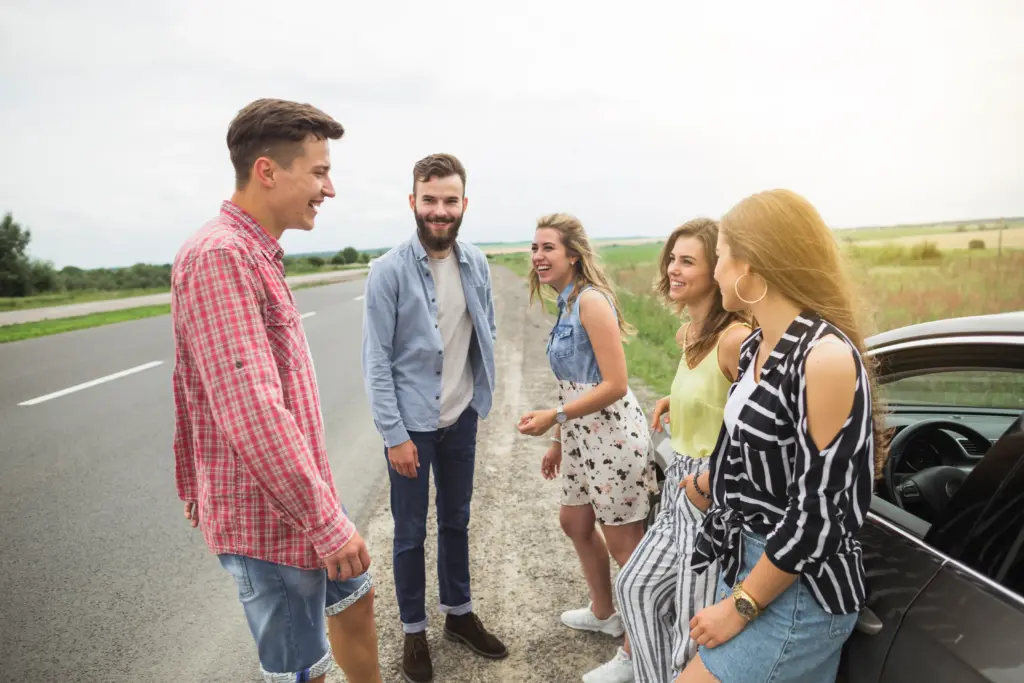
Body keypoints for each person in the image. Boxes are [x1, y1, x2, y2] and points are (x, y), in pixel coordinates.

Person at [171, 98, 381, 683]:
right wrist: (325, 521)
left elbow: (195, 381)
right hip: (270, 511)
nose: (329, 188)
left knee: (355, 598)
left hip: (301, 489)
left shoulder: (256, 252)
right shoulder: (221, 256)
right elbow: (250, 408)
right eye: (319, 171)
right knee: (301, 670)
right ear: (268, 170)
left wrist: (192, 474)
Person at [676, 189, 886, 683]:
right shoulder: (755, 346)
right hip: (756, 566)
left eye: (721, 257)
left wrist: (740, 606)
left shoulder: (824, 357)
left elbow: (820, 513)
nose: (717, 271)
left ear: (750, 267)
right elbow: (765, 449)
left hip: (799, 595)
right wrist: (716, 482)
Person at [361, 153, 506, 683]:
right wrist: (395, 435)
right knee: (409, 532)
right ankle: (414, 630)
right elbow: (376, 363)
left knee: (456, 520)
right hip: (411, 428)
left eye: (450, 200)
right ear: (413, 202)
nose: (439, 210)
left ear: (464, 204)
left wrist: (476, 400)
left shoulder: (477, 263)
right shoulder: (387, 271)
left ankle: (460, 616)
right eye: (430, 200)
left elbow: (484, 329)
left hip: (459, 417)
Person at [518, 213, 659, 683]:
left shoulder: (592, 302)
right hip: (582, 436)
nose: (538, 256)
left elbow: (616, 384)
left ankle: (639, 649)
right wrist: (560, 440)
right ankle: (605, 611)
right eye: (535, 248)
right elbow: (571, 385)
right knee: (574, 520)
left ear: (572, 255)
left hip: (613, 436)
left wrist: (554, 420)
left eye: (548, 248)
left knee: (628, 547)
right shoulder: (565, 302)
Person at [614, 218, 750, 683]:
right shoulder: (687, 336)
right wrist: (681, 399)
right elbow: (711, 390)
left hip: (711, 492)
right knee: (635, 587)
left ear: (716, 270)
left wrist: (709, 482)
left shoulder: (735, 339)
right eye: (671, 258)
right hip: (678, 488)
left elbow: (757, 423)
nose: (673, 268)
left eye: (687, 260)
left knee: (693, 629)